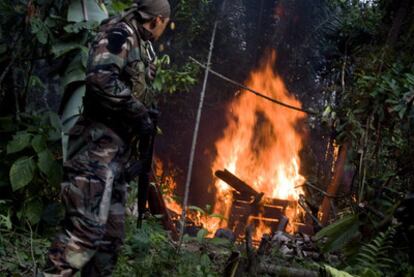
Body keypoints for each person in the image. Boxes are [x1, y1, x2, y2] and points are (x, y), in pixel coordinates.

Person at [43, 0, 170, 276]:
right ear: (158, 20)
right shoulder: (119, 35)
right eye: (165, 24)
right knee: (84, 232)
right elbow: (100, 80)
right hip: (95, 148)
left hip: (116, 154)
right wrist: (138, 113)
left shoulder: (141, 42)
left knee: (109, 240)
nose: (164, 29)